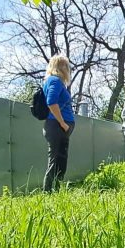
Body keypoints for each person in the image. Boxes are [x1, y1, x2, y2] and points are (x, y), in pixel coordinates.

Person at [42, 54, 75, 192]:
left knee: (60, 160)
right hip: (57, 126)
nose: (68, 70)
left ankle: (56, 190)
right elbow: (51, 102)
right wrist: (62, 123)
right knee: (55, 160)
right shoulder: (55, 81)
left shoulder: (56, 82)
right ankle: (48, 192)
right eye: (67, 67)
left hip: (59, 127)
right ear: (62, 67)